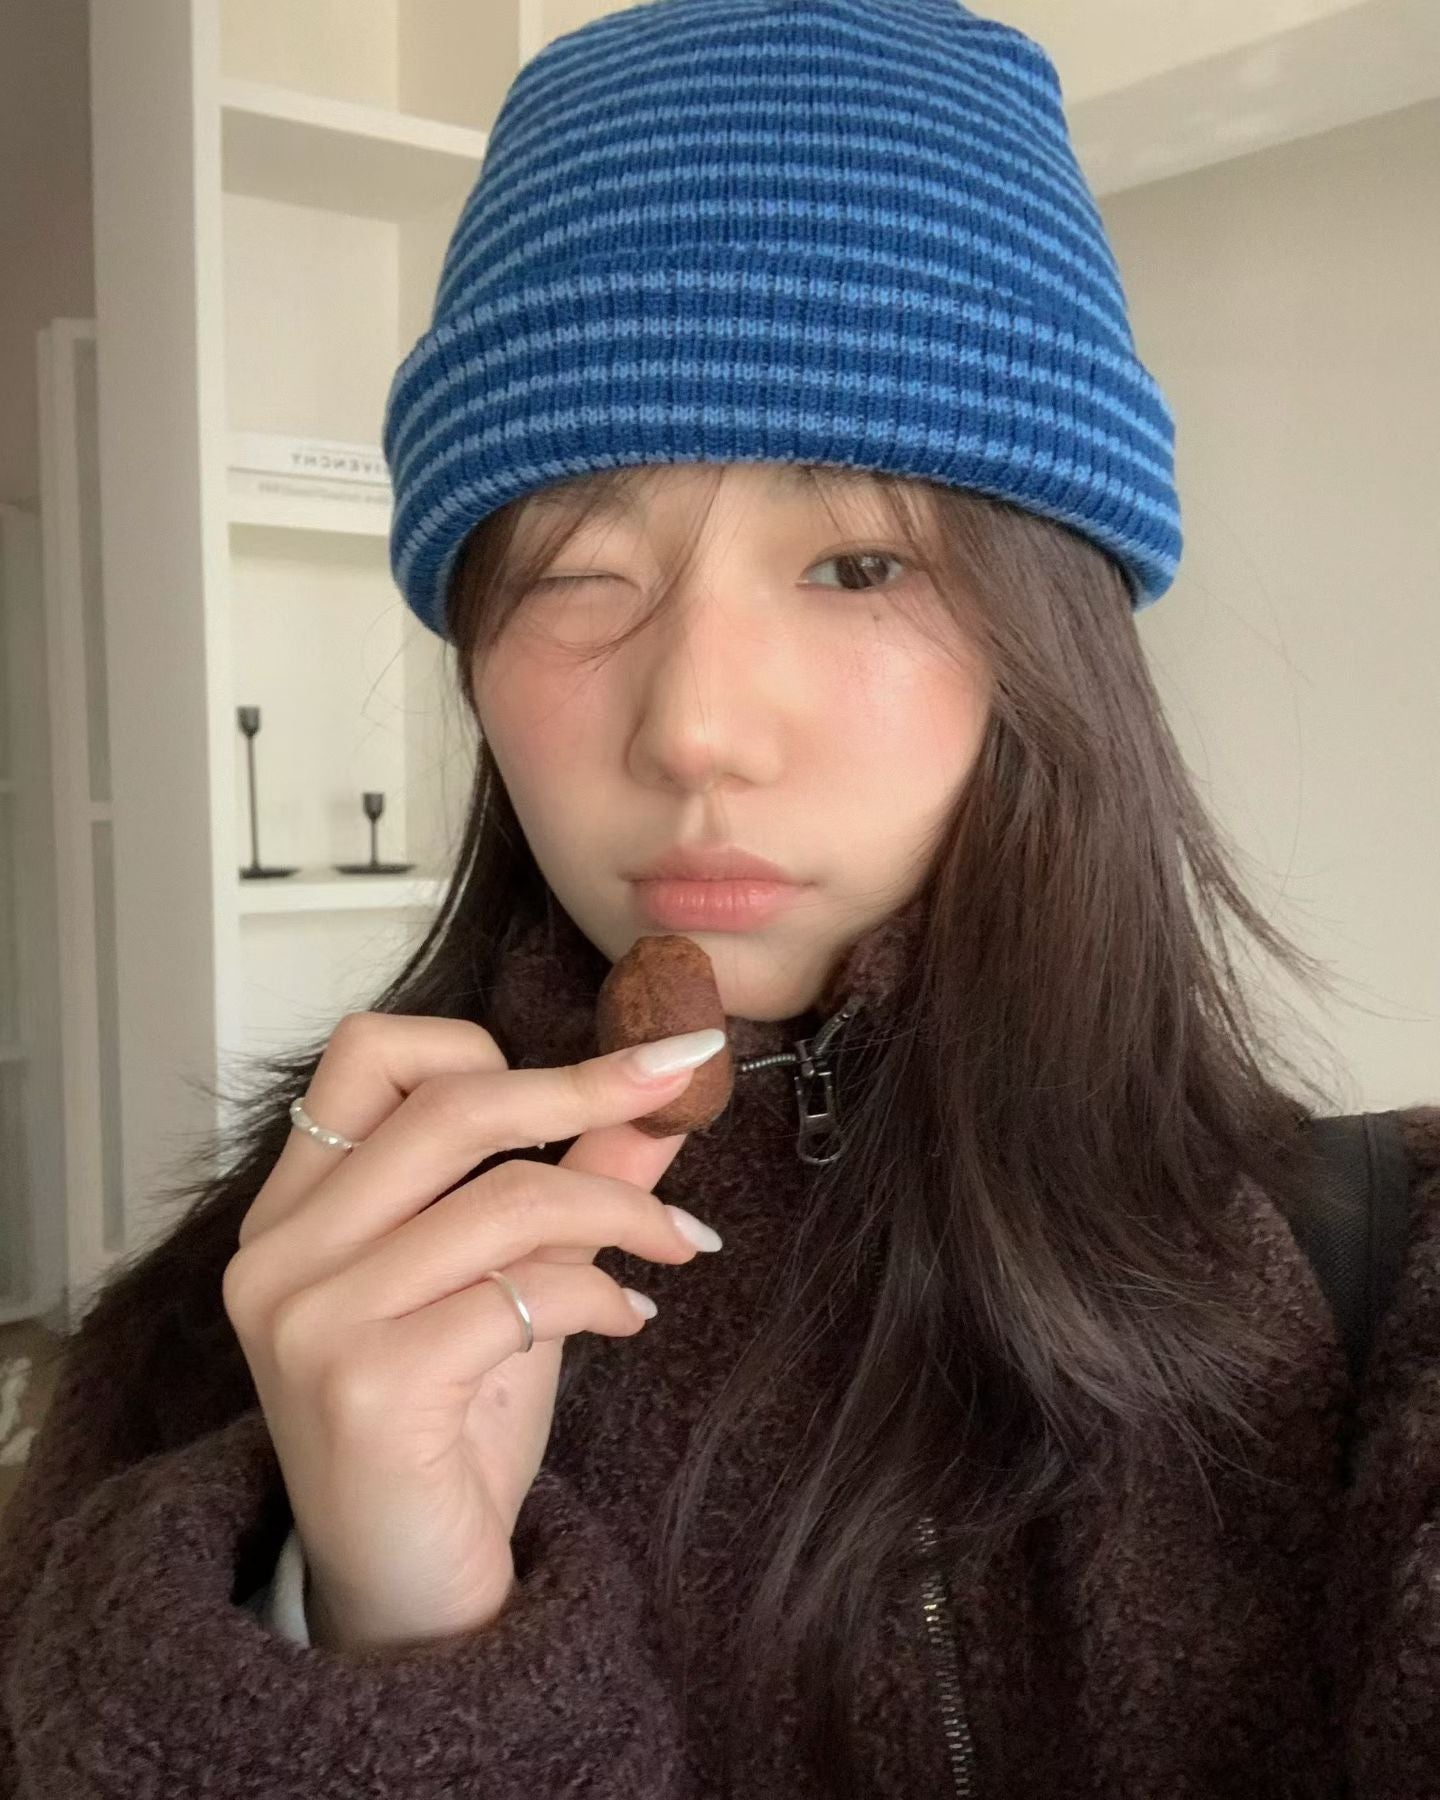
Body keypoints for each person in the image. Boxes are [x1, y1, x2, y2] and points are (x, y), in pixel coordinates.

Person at [2, 1, 1437, 1794]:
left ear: (1054, 644)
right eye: (575, 570)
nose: (691, 726)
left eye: (859, 564)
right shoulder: (223, 1344)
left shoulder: (1387, 1298)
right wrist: (380, 1632)